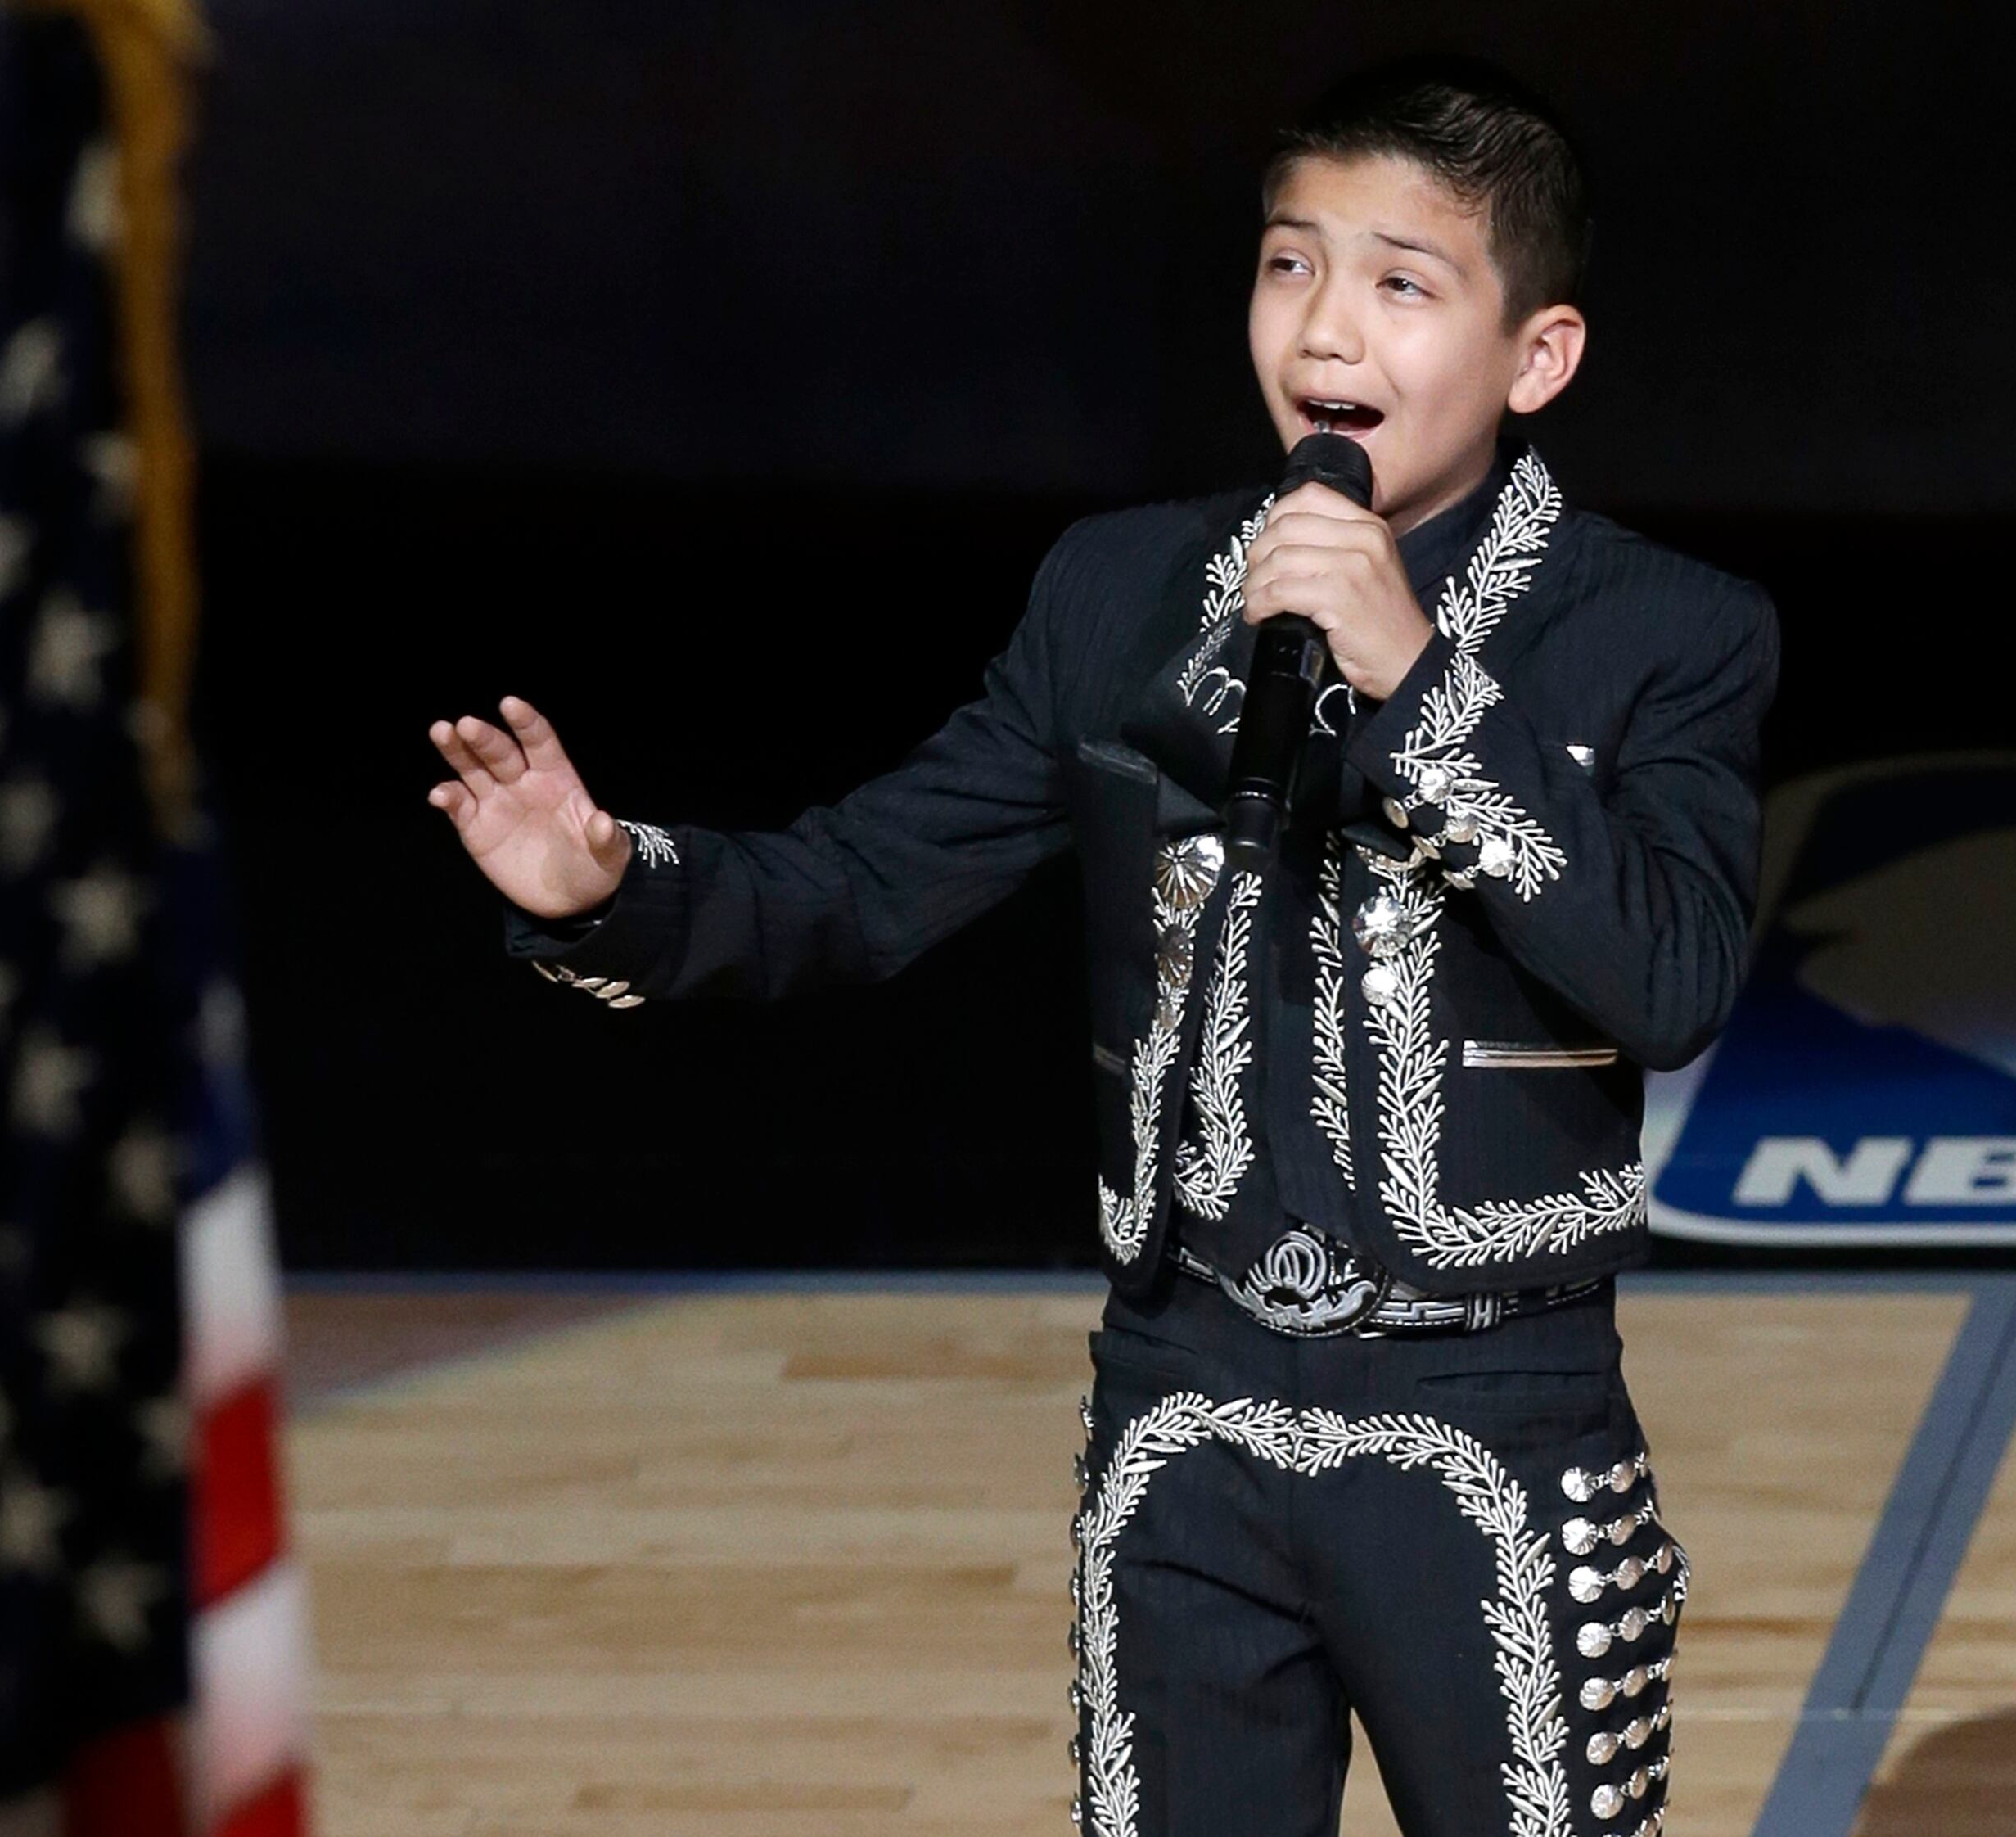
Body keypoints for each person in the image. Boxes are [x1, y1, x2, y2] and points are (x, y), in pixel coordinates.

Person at [426, 52, 1778, 1837]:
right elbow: (864, 881)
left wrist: (1423, 689)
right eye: (1291, 264)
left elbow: (1671, 979)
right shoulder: (1116, 593)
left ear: (1537, 357)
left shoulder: (1662, 633)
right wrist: (607, 886)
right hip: (1182, 1401)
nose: (1328, 331)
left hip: (1493, 1415)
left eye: (1401, 282)